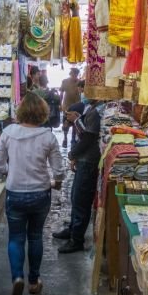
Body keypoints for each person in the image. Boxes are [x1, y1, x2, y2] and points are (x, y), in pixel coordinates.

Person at [0, 93, 66, 295]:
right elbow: (58, 168)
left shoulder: (8, 133)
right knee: (35, 237)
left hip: (14, 192)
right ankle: (34, 281)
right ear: (42, 113)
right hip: (40, 193)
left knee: (16, 238)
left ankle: (17, 277)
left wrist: (9, 172)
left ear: (21, 111)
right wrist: (58, 182)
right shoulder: (48, 137)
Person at [54, 95, 102, 254]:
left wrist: (76, 121)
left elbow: (87, 138)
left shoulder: (94, 114)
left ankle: (77, 239)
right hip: (84, 160)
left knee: (81, 200)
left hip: (88, 162)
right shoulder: (90, 112)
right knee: (75, 197)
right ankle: (72, 230)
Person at [60, 68, 81, 148]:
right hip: (66, 107)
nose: (74, 76)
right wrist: (60, 104)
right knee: (66, 125)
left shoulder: (80, 82)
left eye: (76, 75)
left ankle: (73, 140)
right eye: (73, 74)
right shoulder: (65, 81)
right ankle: (65, 138)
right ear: (70, 74)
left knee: (75, 124)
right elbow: (61, 93)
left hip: (77, 107)